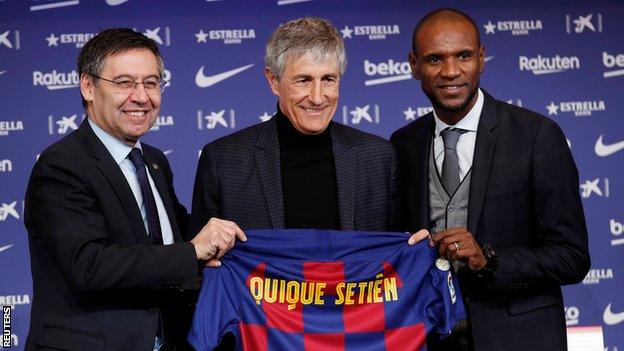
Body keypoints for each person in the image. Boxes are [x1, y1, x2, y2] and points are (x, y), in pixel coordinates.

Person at [24, 28, 245, 351]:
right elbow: (89, 265)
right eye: (125, 83)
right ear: (88, 86)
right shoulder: (62, 166)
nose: (142, 96)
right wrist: (192, 252)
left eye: (152, 83)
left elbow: (172, 238)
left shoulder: (153, 162)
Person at [390, 8, 590, 351]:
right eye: (435, 58)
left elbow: (572, 257)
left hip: (518, 339)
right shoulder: (403, 144)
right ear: (414, 65)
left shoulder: (537, 136)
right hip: (429, 338)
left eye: (464, 56)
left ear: (481, 58)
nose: (451, 71)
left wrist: (490, 259)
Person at [190, 17, 408, 234]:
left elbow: (398, 256)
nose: (317, 97)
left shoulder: (379, 158)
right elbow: (204, 261)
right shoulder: (223, 161)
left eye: (328, 79)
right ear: (273, 80)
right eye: (304, 80)